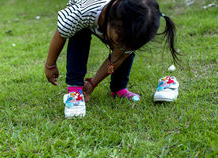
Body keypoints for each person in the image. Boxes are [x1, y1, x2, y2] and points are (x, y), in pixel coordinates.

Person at [45, 0, 179, 118]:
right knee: (79, 35)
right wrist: (50, 65)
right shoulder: (80, 13)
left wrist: (92, 84)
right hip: (85, 13)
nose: (121, 48)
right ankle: (75, 90)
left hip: (115, 25)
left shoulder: (134, 32)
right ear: (112, 21)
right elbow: (61, 32)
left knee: (125, 53)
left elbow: (117, 58)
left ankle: (118, 88)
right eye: (119, 41)